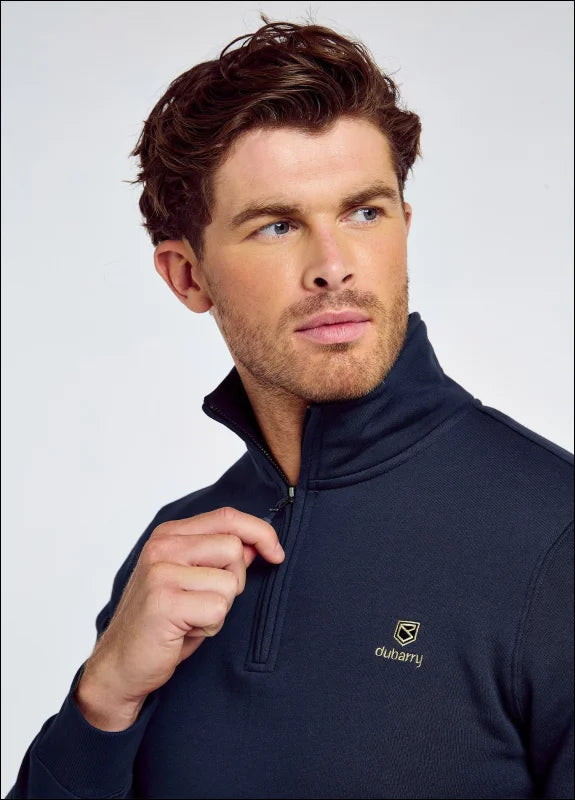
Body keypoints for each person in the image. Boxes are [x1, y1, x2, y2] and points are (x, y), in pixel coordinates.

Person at [7, 17, 574, 800]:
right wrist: (102, 701)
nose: (333, 267)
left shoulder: (556, 535)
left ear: (404, 228)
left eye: (364, 212)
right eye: (276, 225)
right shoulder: (174, 553)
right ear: (187, 276)